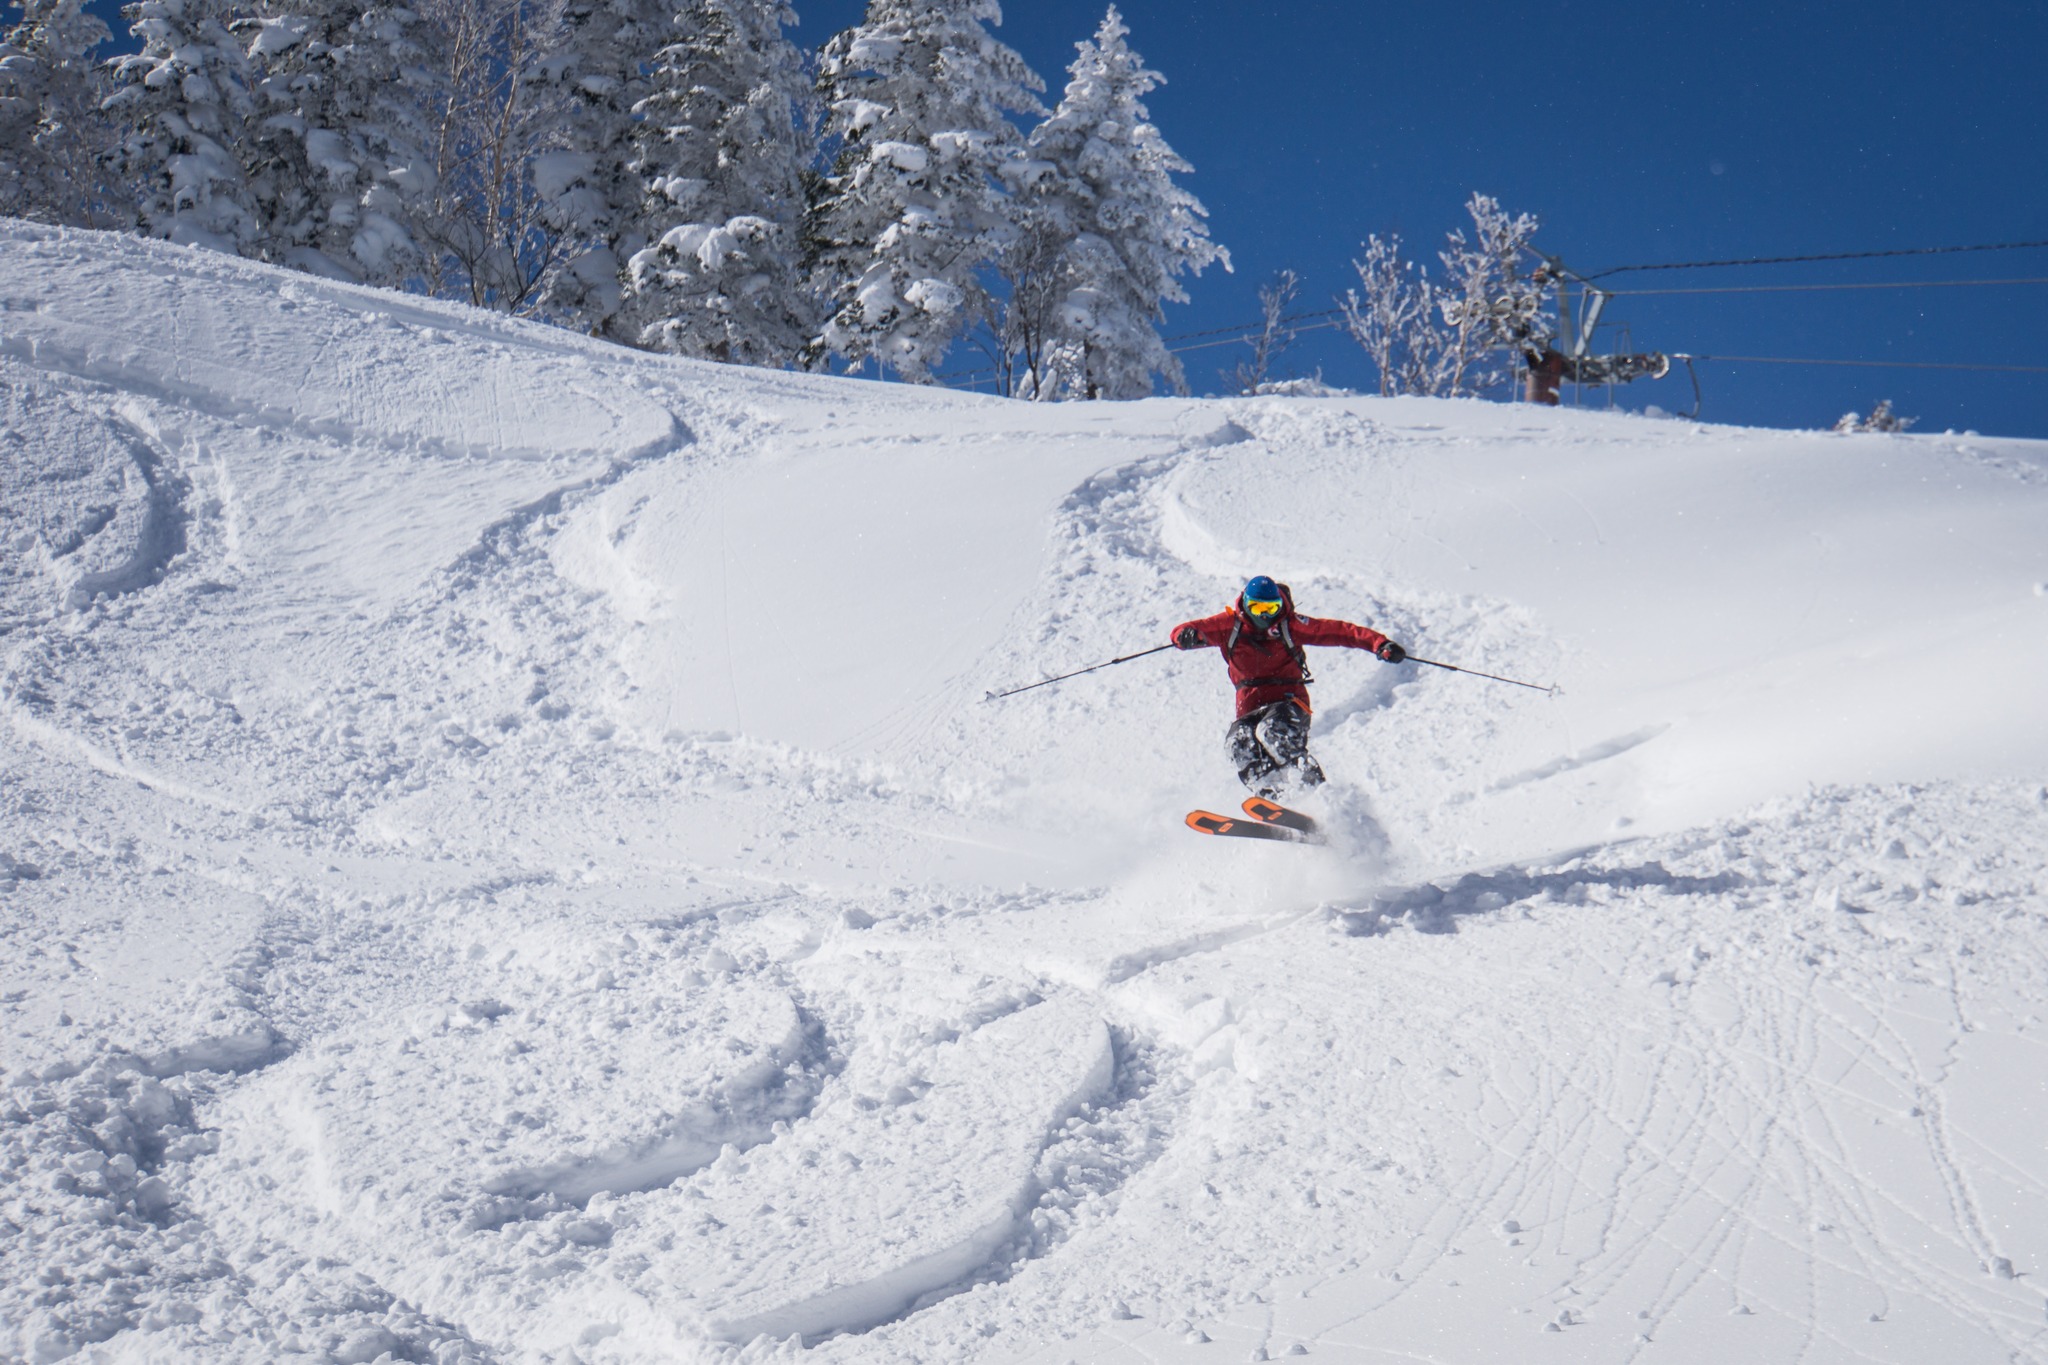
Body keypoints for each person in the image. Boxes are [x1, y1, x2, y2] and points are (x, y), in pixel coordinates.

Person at [1170, 576, 1406, 797]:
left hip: (1289, 701)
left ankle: (1317, 793)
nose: (1265, 616)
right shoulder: (1229, 626)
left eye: (1270, 609)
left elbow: (1338, 631)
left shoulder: (1289, 625)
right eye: (1258, 609)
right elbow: (1187, 630)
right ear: (1246, 605)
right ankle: (1271, 796)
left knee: (1272, 731)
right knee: (1238, 743)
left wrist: (1379, 644)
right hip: (1249, 706)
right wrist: (1185, 636)